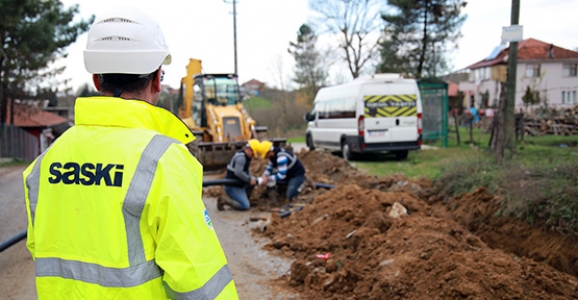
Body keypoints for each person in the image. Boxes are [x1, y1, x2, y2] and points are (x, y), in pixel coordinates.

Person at [22, 7, 238, 299]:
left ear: (98, 81)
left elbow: (40, 248)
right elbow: (199, 282)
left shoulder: (45, 162)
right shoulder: (163, 161)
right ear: (157, 80)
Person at [218, 139, 265, 211]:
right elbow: (238, 172)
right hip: (232, 186)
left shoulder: (246, 157)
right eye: (253, 154)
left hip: (239, 184)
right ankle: (224, 200)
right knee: (245, 206)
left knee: (252, 183)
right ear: (249, 150)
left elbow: (246, 171)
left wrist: (251, 178)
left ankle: (244, 199)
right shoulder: (241, 158)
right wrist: (249, 180)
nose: (253, 156)